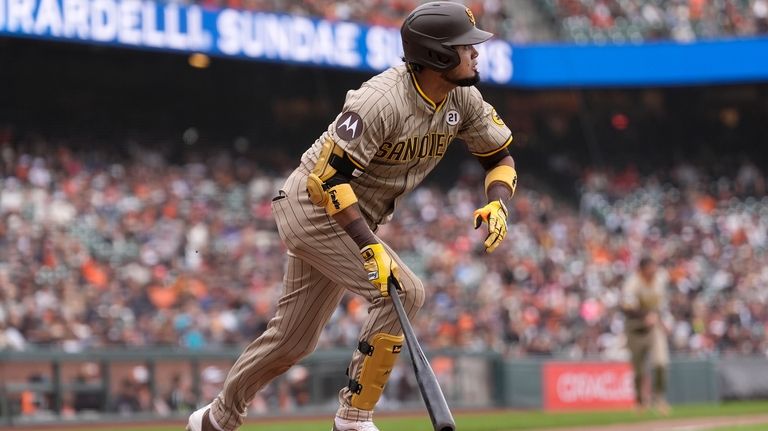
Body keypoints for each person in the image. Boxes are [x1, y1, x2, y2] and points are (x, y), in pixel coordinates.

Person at [187, 2, 518, 430]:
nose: (476, 53)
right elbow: (327, 181)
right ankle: (353, 419)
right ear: (437, 56)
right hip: (311, 206)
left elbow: (500, 157)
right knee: (405, 291)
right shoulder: (379, 101)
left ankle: (215, 419)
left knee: (292, 341)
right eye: (465, 46)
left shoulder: (463, 98)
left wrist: (497, 200)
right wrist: (368, 246)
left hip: (351, 216)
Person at [620, 256, 671, 415]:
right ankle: (640, 401)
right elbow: (627, 308)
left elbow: (661, 306)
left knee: (661, 362)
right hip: (635, 328)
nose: (653, 271)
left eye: (654, 268)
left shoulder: (660, 280)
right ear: (641, 270)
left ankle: (660, 398)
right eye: (649, 268)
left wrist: (663, 322)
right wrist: (645, 315)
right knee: (639, 369)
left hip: (654, 326)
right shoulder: (632, 283)